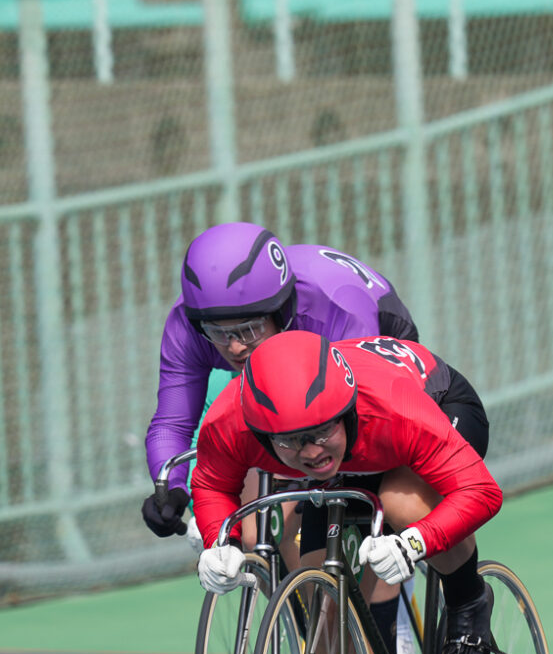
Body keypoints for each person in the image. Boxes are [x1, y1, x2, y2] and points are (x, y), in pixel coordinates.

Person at [188, 331, 503, 654]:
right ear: (261, 432)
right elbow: (210, 484)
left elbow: (481, 492)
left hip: (429, 404)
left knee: (401, 503)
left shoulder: (396, 410)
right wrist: (217, 543)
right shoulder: (232, 421)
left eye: (319, 434)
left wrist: (416, 542)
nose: (310, 452)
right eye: (290, 442)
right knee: (322, 600)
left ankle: (468, 600)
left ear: (343, 410)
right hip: (354, 453)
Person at [141, 222, 425, 537]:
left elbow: (363, 418)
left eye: (249, 329)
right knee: (256, 525)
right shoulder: (187, 327)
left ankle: (396, 578)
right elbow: (172, 424)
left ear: (282, 310)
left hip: (375, 333)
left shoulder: (333, 309)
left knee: (358, 495)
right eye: (218, 332)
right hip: (282, 360)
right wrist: (172, 487)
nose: (234, 346)